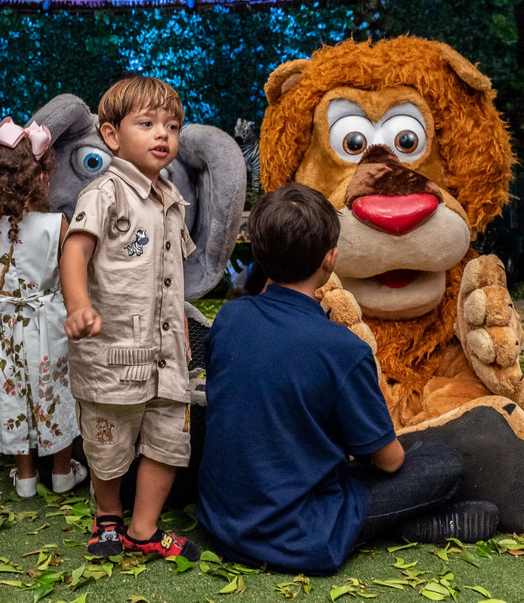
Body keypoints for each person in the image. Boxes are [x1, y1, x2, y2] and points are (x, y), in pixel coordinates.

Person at [197, 183, 498, 573]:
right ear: (331, 259)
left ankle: (402, 521)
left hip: (220, 523)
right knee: (440, 463)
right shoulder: (343, 347)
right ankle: (404, 522)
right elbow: (389, 463)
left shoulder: (229, 318)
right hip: (300, 535)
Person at [60, 75, 201, 560]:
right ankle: (108, 517)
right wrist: (79, 306)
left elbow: (174, 275)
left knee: (167, 440)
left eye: (172, 125)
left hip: (167, 354)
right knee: (109, 443)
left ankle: (143, 530)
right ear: (112, 135)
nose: (163, 134)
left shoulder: (172, 201)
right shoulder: (104, 194)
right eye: (147, 124)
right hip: (113, 354)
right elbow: (74, 251)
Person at [0, 117, 87, 499]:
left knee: (13, 393)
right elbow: (72, 277)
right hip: (49, 324)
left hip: (6, 324)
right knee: (54, 391)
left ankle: (25, 478)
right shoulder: (57, 224)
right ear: (39, 177)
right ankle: (64, 472)